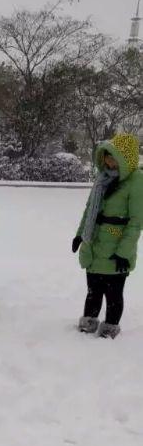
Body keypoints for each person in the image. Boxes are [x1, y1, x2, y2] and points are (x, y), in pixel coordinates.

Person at [72, 133, 143, 338]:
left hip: (116, 249)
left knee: (113, 295)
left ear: (125, 158)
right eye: (106, 156)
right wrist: (79, 235)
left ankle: (110, 328)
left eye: (113, 156)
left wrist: (124, 252)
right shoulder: (102, 178)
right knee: (93, 292)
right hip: (93, 244)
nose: (108, 160)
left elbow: (136, 222)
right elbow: (89, 210)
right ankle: (88, 324)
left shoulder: (136, 181)